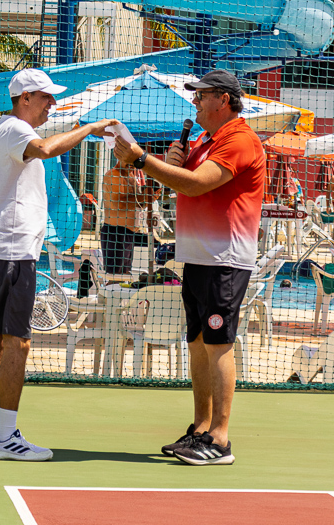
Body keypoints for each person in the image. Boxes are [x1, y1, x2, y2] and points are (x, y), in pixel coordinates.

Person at [113, 69, 265, 466]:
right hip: (197, 258)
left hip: (224, 259)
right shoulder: (203, 141)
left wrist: (142, 159)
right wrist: (169, 164)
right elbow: (183, 182)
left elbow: (197, 184)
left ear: (224, 100)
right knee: (197, 342)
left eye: (201, 95)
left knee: (218, 344)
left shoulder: (240, 140)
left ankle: (220, 439)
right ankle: (201, 428)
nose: (194, 101)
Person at [0, 69, 117, 461]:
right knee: (18, 342)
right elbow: (47, 149)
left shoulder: (2, 129)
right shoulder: (17, 130)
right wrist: (89, 128)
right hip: (10, 252)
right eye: (46, 97)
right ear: (26, 98)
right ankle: (6, 437)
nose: (52, 103)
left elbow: (45, 142)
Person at [100, 160, 161, 275]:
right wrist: (144, 196)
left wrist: (149, 199)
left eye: (133, 161)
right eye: (128, 160)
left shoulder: (131, 176)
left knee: (125, 275)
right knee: (115, 276)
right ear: (119, 156)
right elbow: (119, 204)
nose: (131, 164)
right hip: (115, 233)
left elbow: (136, 204)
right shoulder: (114, 175)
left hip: (128, 233)